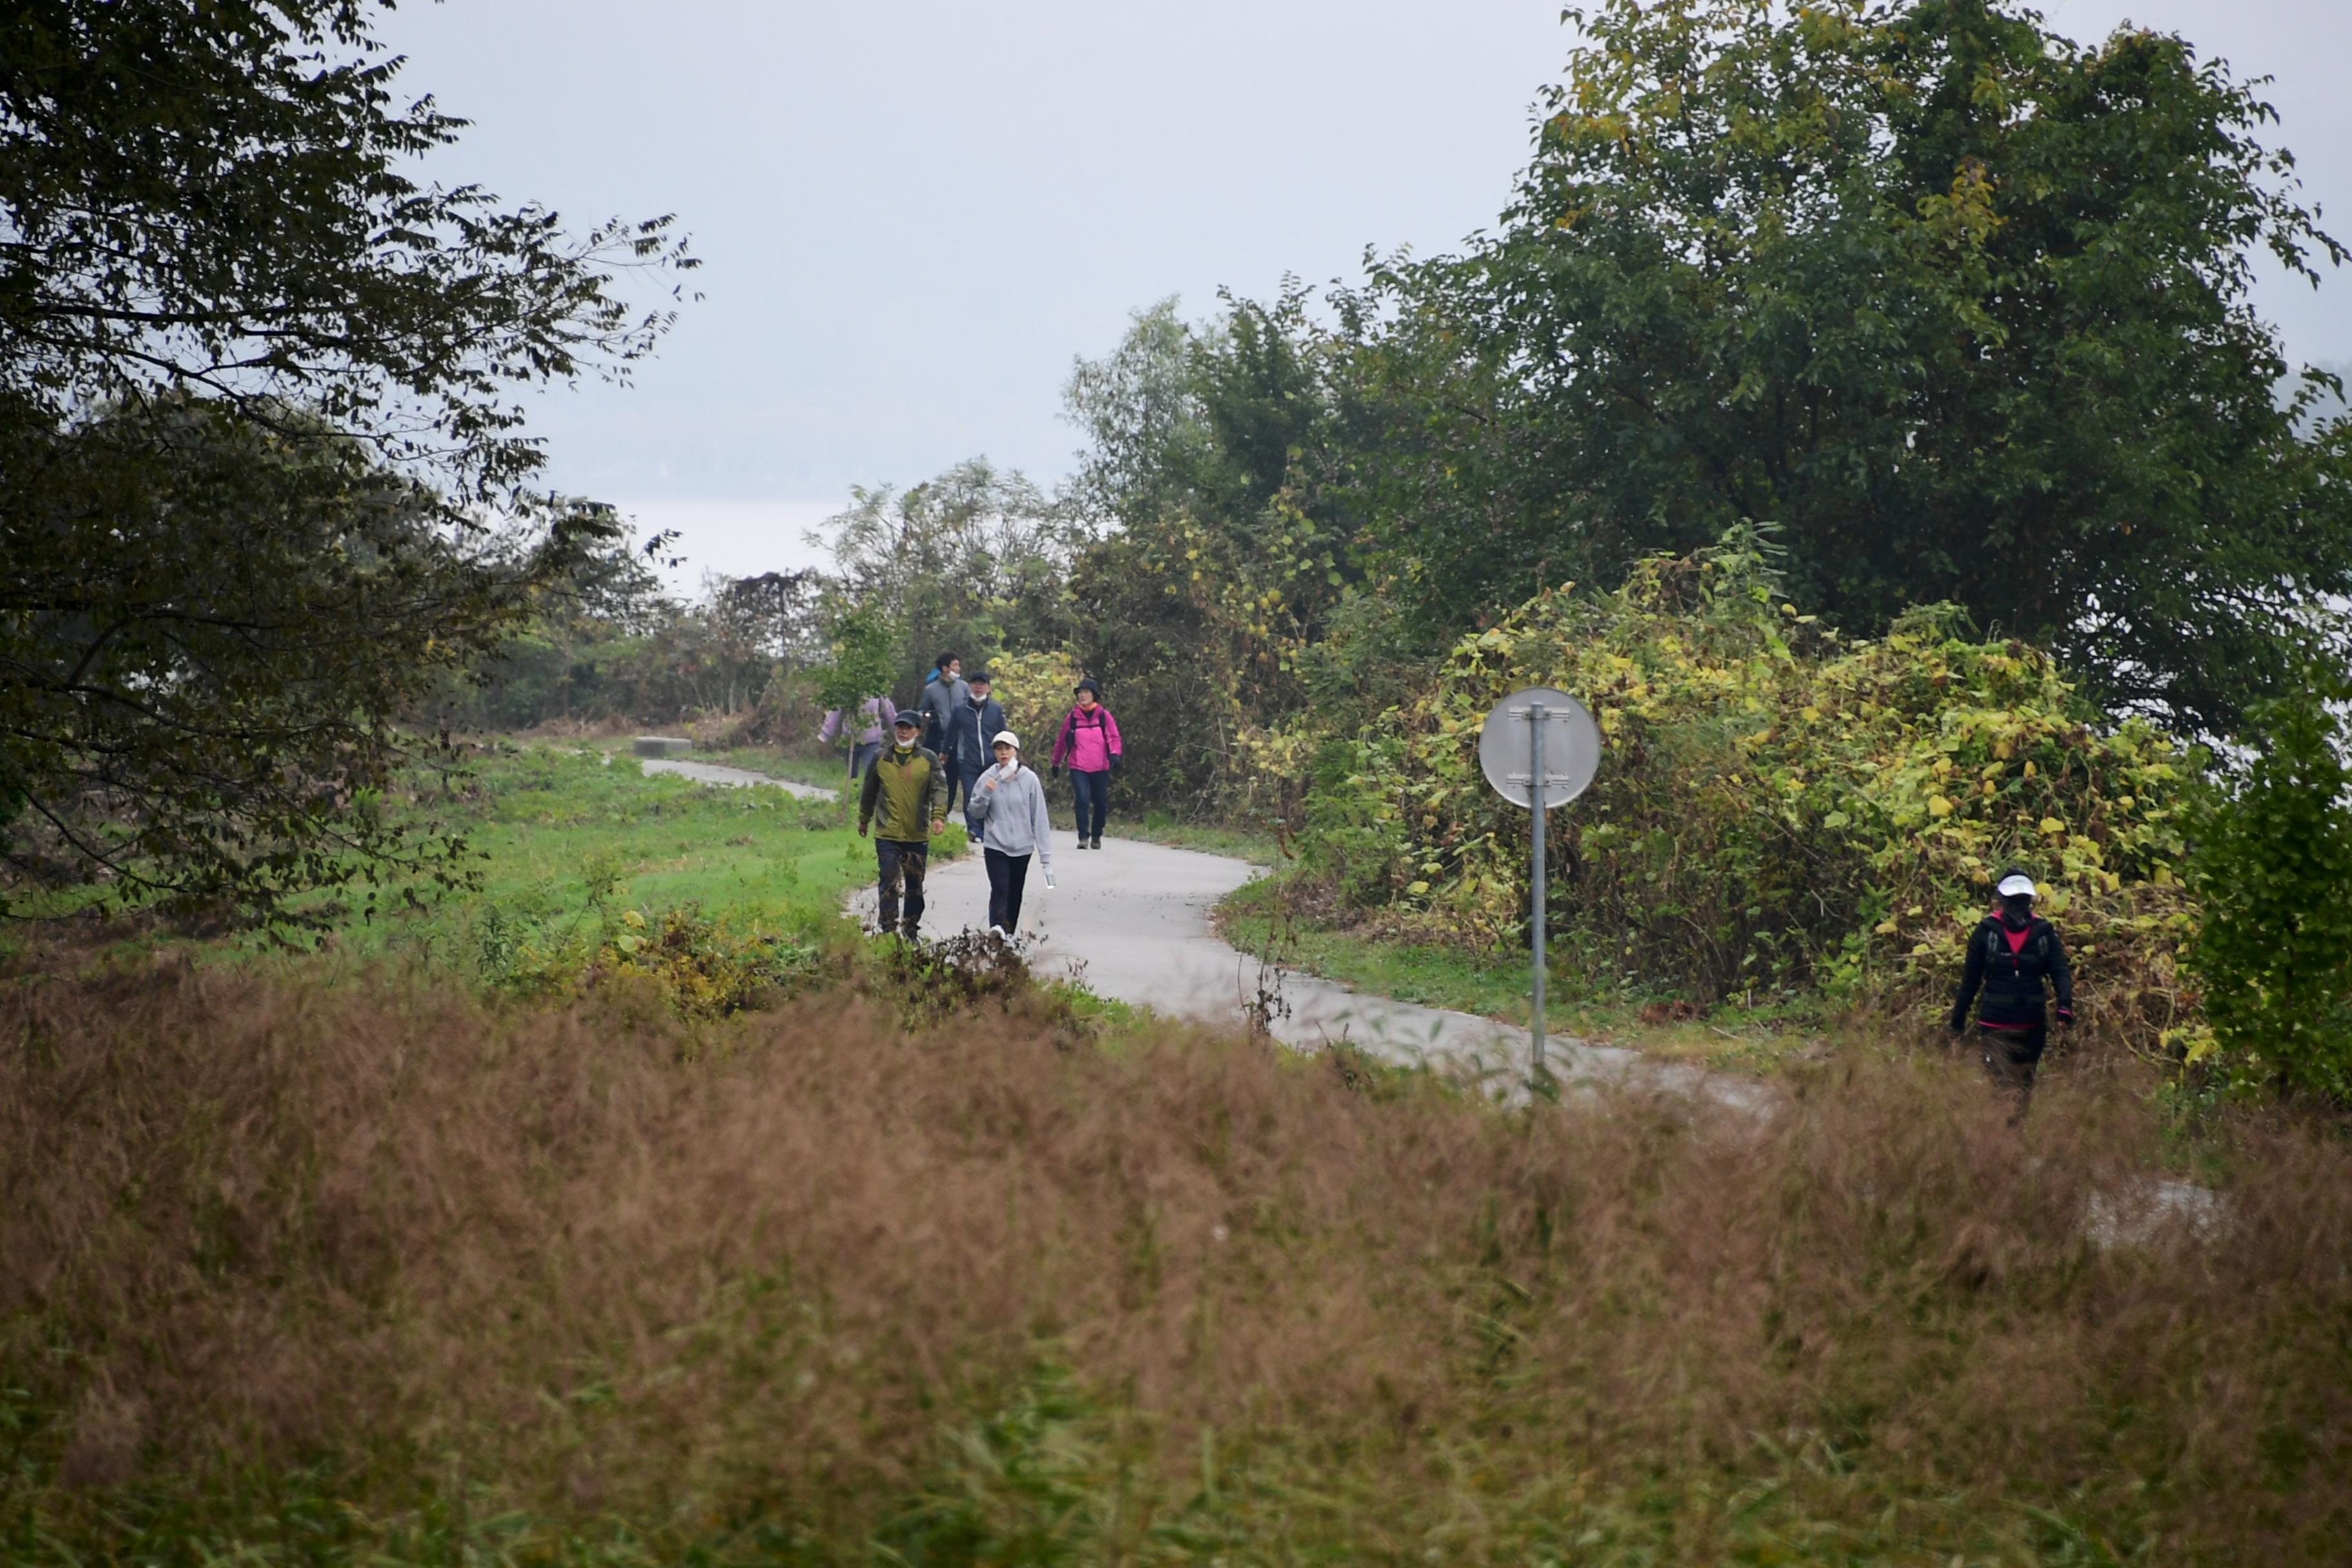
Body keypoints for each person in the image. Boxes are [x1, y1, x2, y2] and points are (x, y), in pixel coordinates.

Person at [1949, 869, 2074, 1113]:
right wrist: (1957, 1021)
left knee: (2024, 1086)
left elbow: (2060, 971)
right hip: (1996, 1023)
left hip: (2032, 1025)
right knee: (2001, 1085)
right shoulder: (1985, 932)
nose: (2018, 905)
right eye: (2013, 900)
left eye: (2022, 900)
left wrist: (2064, 1007)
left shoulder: (2044, 933)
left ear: (2029, 901)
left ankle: (2015, 1140)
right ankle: (2003, 1137)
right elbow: (1970, 980)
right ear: (2002, 901)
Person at [857, 709, 945, 939]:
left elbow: (939, 788)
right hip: (887, 832)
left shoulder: (928, 759)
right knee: (888, 878)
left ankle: (910, 930)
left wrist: (938, 816)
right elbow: (869, 790)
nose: (904, 732)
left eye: (909, 728)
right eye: (900, 727)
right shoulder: (881, 758)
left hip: (917, 834)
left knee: (915, 884)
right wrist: (864, 819)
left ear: (918, 731)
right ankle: (887, 930)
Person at [966, 729, 1054, 937]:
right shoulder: (988, 777)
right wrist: (986, 793)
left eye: (1007, 749)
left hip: (1022, 847)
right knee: (1000, 888)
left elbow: (1039, 817)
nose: (1003, 753)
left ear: (1016, 751)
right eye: (999, 749)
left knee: (1014, 893)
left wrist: (1045, 857)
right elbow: (975, 812)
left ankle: (1008, 935)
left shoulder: (1029, 779)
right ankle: (997, 928)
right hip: (996, 844)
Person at [1048, 677, 1122, 849]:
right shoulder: (1072, 718)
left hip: (1100, 767)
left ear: (1094, 695)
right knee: (1082, 799)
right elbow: (1062, 742)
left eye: (1086, 693)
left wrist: (1115, 754)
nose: (1082, 696)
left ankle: (1096, 835)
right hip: (1078, 767)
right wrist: (1056, 763)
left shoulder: (1104, 716)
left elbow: (1114, 737)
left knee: (1101, 803)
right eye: (1080, 693)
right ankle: (1083, 836)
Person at [945, 670, 1008, 836]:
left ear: (988, 688)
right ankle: (973, 829)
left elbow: (1003, 735)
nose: (978, 687)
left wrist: (1007, 757)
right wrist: (944, 753)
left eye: (982, 684)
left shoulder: (995, 710)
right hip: (968, 760)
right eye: (975, 684)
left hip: (991, 762)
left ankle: (987, 829)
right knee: (970, 794)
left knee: (991, 795)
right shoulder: (961, 710)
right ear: (970, 686)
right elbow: (951, 734)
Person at [919, 649, 971, 812]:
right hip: (936, 738)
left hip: (958, 740)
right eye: (955, 665)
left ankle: (945, 812)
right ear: (945, 668)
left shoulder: (964, 687)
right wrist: (925, 718)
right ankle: (931, 807)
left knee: (953, 777)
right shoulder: (931, 689)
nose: (958, 669)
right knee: (934, 775)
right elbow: (922, 710)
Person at [818, 694, 897, 781]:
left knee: (871, 774)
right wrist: (825, 734)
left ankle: (870, 793)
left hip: (872, 741)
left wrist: (899, 728)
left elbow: (888, 710)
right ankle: (852, 792)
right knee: (852, 776)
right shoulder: (847, 689)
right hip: (850, 740)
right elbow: (835, 712)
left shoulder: (876, 689)